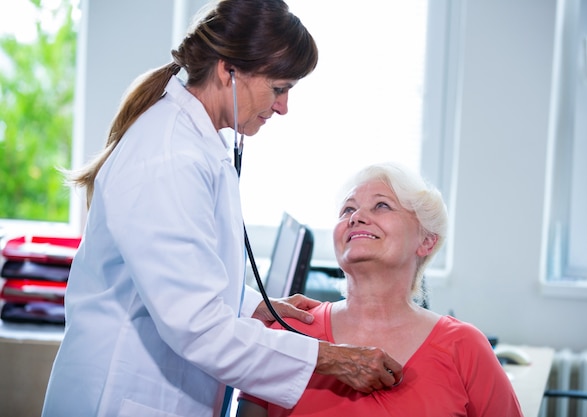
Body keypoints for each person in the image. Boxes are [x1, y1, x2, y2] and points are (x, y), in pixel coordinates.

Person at [41, 1, 403, 416]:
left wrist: (252, 304)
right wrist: (333, 358)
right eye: (279, 88)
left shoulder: (194, 142)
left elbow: (183, 273)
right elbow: (197, 327)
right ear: (228, 70)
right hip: (122, 396)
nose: (283, 107)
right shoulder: (170, 156)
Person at [237, 162, 524, 417]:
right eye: (348, 209)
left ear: (426, 241)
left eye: (382, 205)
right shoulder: (288, 332)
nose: (356, 216)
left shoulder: (465, 347)